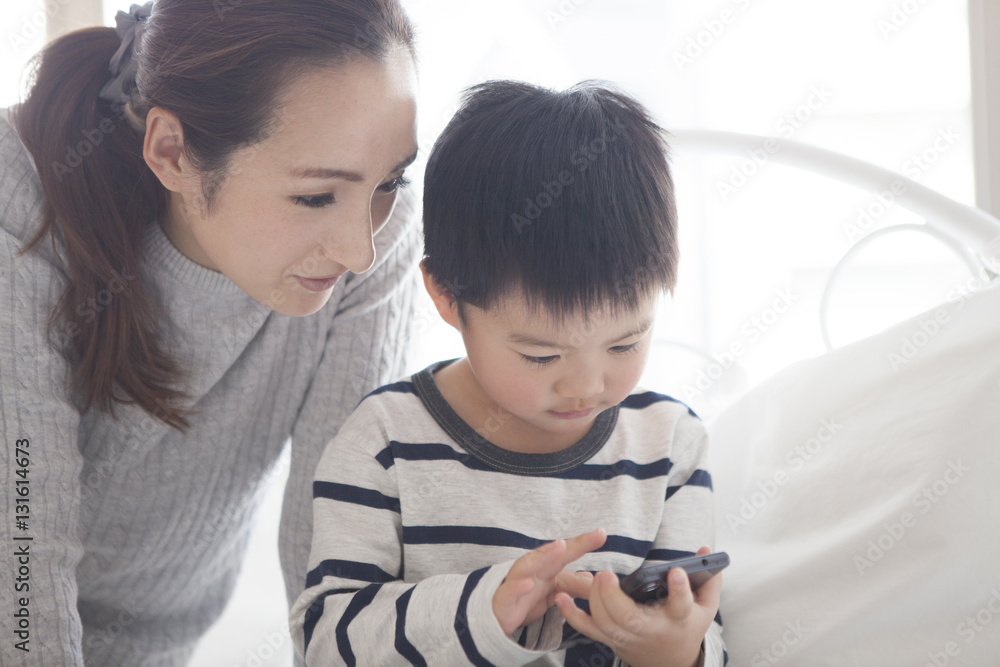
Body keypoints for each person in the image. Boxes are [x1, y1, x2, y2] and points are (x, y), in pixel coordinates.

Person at [0, 1, 421, 665]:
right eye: (315, 196)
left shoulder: (375, 234)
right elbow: (21, 552)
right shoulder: (17, 196)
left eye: (391, 180)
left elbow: (338, 546)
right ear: (171, 150)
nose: (358, 249)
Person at [289, 80, 726, 666]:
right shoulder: (384, 442)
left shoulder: (669, 445)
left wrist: (678, 652)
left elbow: (702, 629)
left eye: (626, 343)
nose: (586, 386)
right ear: (446, 297)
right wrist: (484, 610)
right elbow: (327, 645)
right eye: (542, 356)